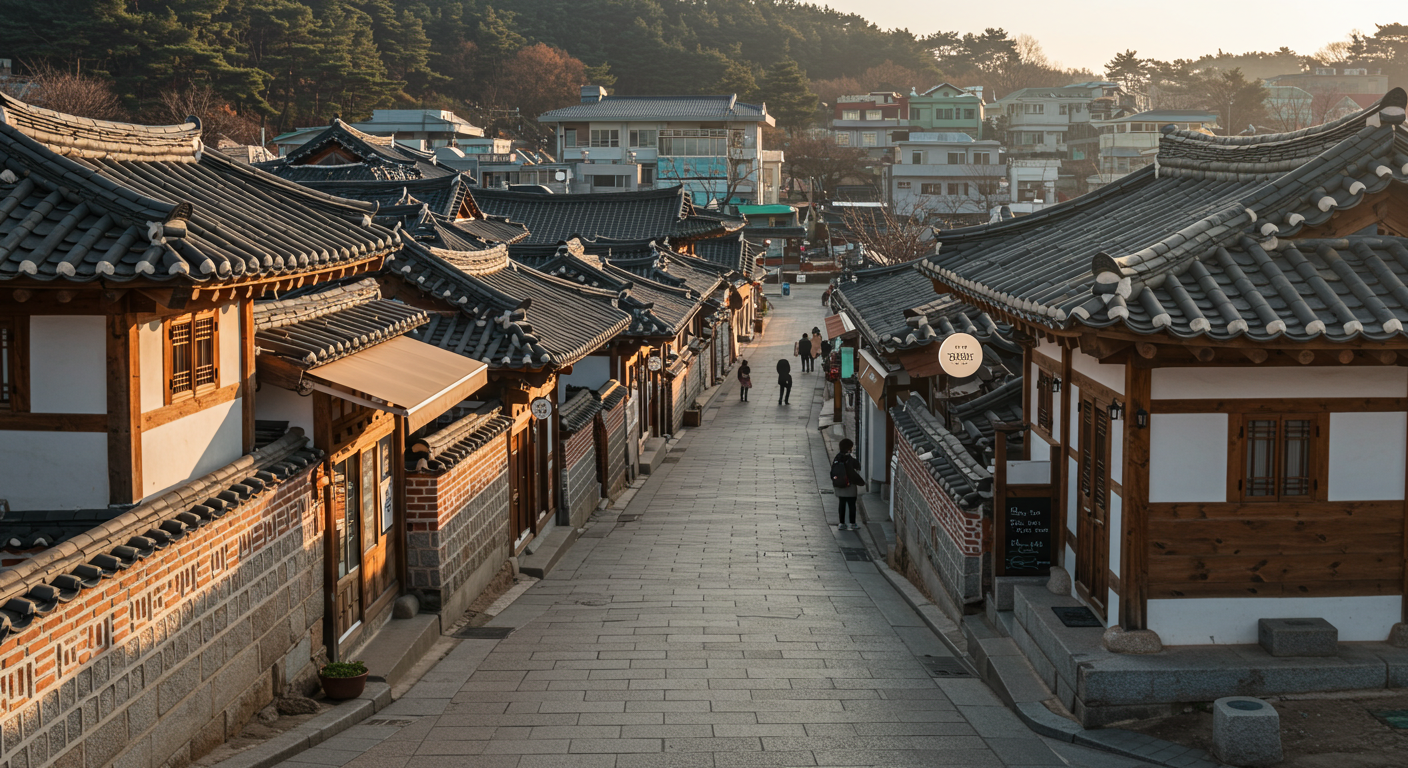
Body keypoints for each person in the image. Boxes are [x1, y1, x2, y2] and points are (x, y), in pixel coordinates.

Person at [831, 439, 865, 530]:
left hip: (839, 484)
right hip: (850, 485)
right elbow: (857, 467)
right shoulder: (850, 459)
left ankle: (842, 523)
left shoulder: (837, 458)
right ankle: (852, 523)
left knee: (841, 504)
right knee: (851, 504)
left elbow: (832, 471)